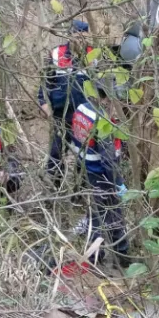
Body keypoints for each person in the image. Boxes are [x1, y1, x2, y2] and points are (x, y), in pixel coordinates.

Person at [69, 81, 130, 267]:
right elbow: (109, 160)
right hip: (103, 175)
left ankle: (97, 258)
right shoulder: (102, 120)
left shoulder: (81, 109)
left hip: (87, 171)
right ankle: (121, 256)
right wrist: (118, 182)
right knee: (112, 216)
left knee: (96, 215)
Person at [38, 20, 95, 187]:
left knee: (83, 155)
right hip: (60, 115)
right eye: (76, 37)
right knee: (56, 152)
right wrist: (43, 104)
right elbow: (45, 83)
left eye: (83, 38)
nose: (80, 42)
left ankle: (80, 190)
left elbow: (103, 85)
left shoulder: (93, 55)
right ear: (69, 36)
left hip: (85, 118)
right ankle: (54, 187)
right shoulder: (57, 54)